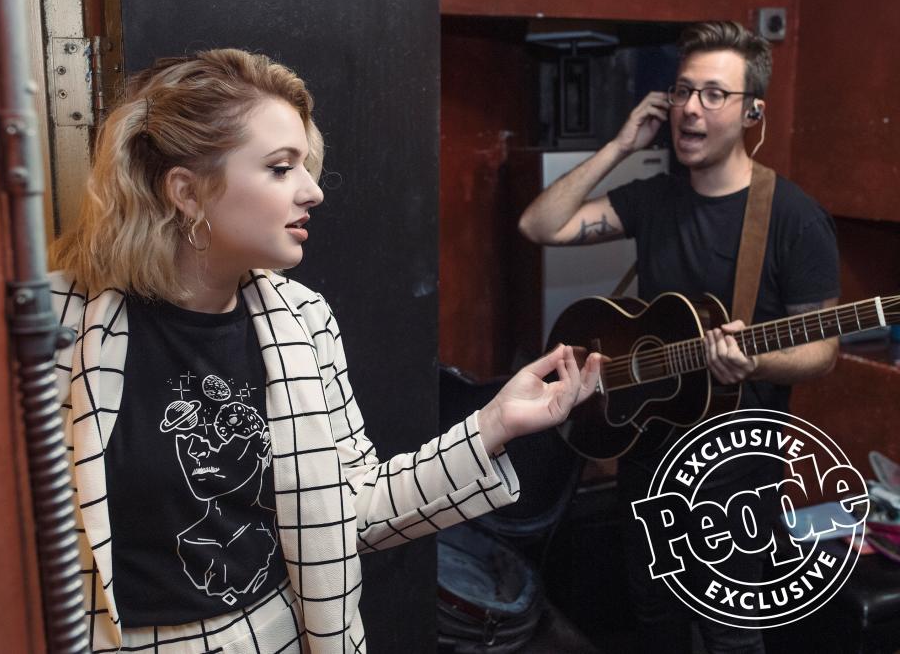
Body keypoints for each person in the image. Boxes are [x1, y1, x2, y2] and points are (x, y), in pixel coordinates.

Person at [48, 48, 601, 653]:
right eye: (282, 168)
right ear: (188, 190)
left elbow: (349, 511)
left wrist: (494, 424)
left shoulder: (302, 322)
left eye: (304, 166)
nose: (312, 191)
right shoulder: (61, 324)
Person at [518, 21, 840, 653]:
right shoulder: (654, 199)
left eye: (714, 94)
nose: (691, 108)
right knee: (655, 621)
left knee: (733, 637)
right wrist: (618, 145)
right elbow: (541, 224)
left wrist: (755, 361)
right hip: (648, 459)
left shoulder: (794, 219)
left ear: (753, 111)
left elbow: (824, 351)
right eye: (683, 91)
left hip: (737, 473)